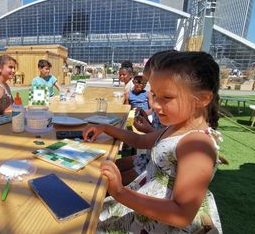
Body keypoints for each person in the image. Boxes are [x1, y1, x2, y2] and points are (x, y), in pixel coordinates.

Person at [83, 51, 222, 233]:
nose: (155, 105)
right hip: (145, 210)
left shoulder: (197, 145)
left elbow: (182, 214)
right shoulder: (175, 127)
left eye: (167, 97)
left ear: (202, 99)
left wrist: (120, 192)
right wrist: (106, 128)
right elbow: (139, 140)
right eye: (155, 95)